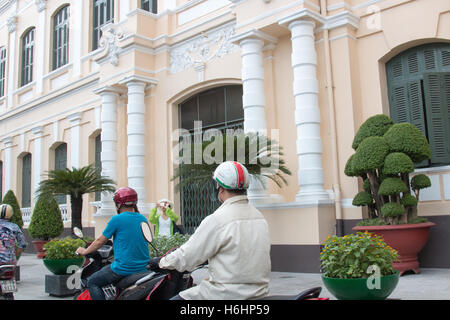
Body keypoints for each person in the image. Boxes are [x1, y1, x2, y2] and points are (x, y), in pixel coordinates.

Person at [150, 161, 271, 300]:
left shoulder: (218, 219)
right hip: (259, 293)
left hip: (225, 294)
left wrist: (161, 262)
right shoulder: (260, 218)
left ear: (220, 189)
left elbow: (188, 255)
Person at [75, 187, 150, 300]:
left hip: (124, 268)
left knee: (93, 282)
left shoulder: (117, 219)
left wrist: (85, 251)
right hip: (143, 267)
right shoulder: (142, 218)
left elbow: (100, 240)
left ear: (118, 204)